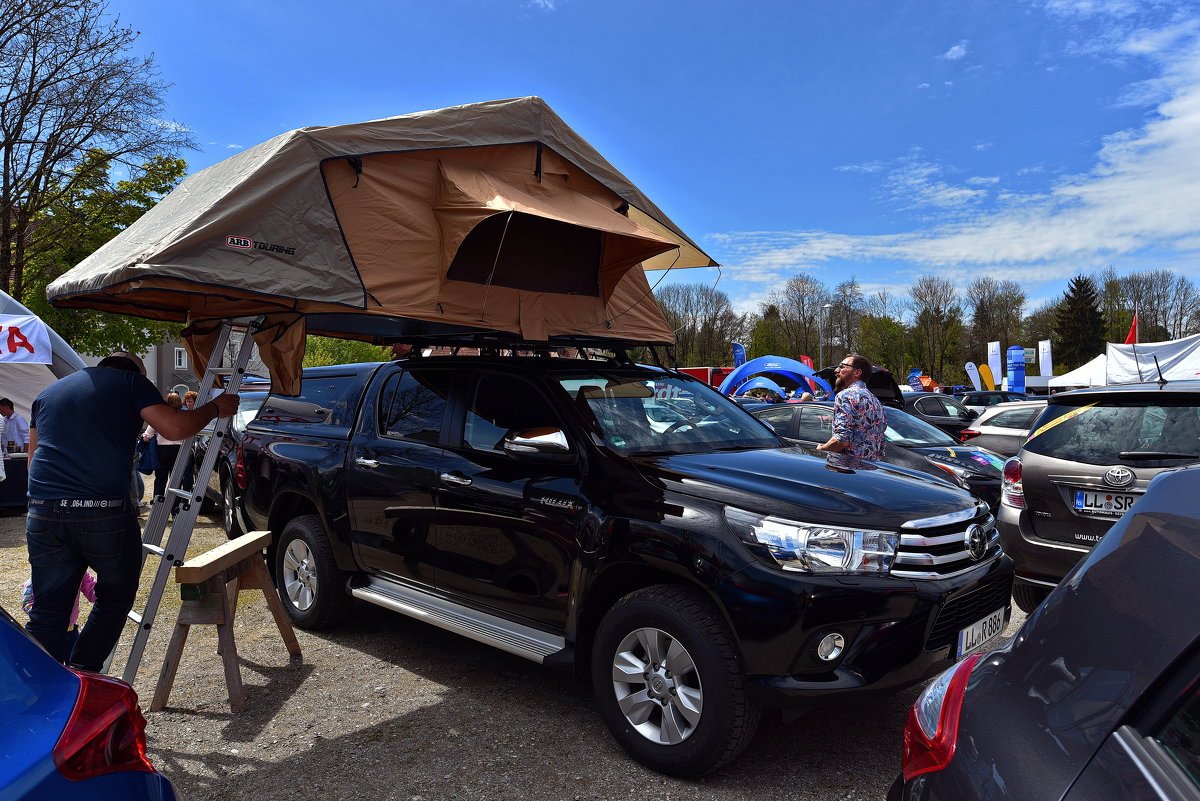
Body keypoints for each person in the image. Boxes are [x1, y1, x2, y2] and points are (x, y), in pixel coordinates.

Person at [24, 350, 238, 673]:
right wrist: (214, 408)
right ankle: (83, 671)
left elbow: (33, 459)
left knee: (47, 611)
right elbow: (176, 427)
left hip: (43, 511)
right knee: (116, 592)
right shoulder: (133, 384)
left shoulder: (47, 394)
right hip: (102, 508)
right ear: (137, 374)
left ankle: (42, 689)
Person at [816, 354, 886, 462]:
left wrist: (822, 449)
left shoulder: (845, 396)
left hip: (847, 470)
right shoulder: (877, 402)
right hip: (871, 473)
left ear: (857, 372)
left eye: (842, 366)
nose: (836, 370)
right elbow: (881, 451)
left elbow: (841, 440)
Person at [142, 393, 190, 509]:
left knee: (160, 479)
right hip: (179, 449)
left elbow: (147, 435)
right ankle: (175, 508)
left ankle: (157, 507)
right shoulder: (184, 415)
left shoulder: (159, 416)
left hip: (162, 450)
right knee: (177, 480)